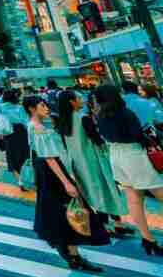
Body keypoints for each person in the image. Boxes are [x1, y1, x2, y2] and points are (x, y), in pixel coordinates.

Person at [25, 95, 108, 271]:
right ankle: (73, 254)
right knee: (70, 208)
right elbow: (50, 157)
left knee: (61, 211)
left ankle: (70, 251)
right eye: (42, 105)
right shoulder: (38, 127)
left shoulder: (33, 125)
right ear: (32, 109)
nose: (46, 108)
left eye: (46, 104)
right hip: (52, 172)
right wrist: (67, 182)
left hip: (46, 173)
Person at [94, 84, 163, 256]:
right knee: (160, 192)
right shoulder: (125, 113)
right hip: (133, 154)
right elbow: (137, 135)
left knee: (133, 199)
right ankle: (149, 241)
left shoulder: (100, 115)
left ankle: (148, 239)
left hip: (116, 156)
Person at [56, 90, 133, 238]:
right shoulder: (83, 118)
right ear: (72, 102)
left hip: (77, 162)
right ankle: (114, 224)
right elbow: (97, 139)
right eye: (79, 98)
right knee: (107, 188)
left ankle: (108, 224)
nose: (82, 99)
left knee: (93, 191)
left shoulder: (63, 121)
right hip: (94, 159)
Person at [0, 89, 30, 189]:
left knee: (12, 157)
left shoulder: (0, 107)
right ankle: (27, 176)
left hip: (8, 132)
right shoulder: (20, 107)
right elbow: (25, 121)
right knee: (24, 155)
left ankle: (20, 181)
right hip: (21, 132)